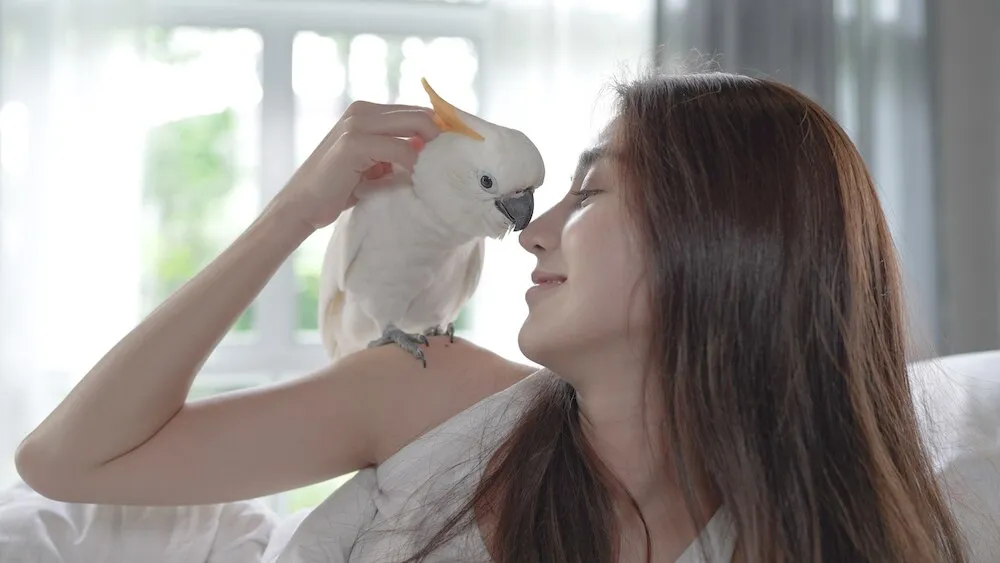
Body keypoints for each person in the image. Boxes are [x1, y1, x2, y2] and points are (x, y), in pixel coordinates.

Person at [14, 71, 969, 563]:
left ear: (716, 235)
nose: (531, 233)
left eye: (586, 194)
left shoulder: (821, 528)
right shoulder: (438, 389)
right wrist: (293, 214)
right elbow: (66, 461)